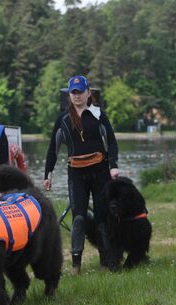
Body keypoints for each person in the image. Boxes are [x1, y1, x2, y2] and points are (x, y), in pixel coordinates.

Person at [43, 75, 119, 275]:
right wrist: (48, 174)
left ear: (88, 93)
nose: (77, 96)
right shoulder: (63, 119)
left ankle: (105, 262)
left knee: (102, 216)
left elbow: (111, 142)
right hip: (76, 173)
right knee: (78, 219)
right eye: (73, 92)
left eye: (80, 92)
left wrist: (113, 165)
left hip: (100, 171)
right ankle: (76, 265)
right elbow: (53, 148)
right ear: (69, 95)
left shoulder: (98, 115)